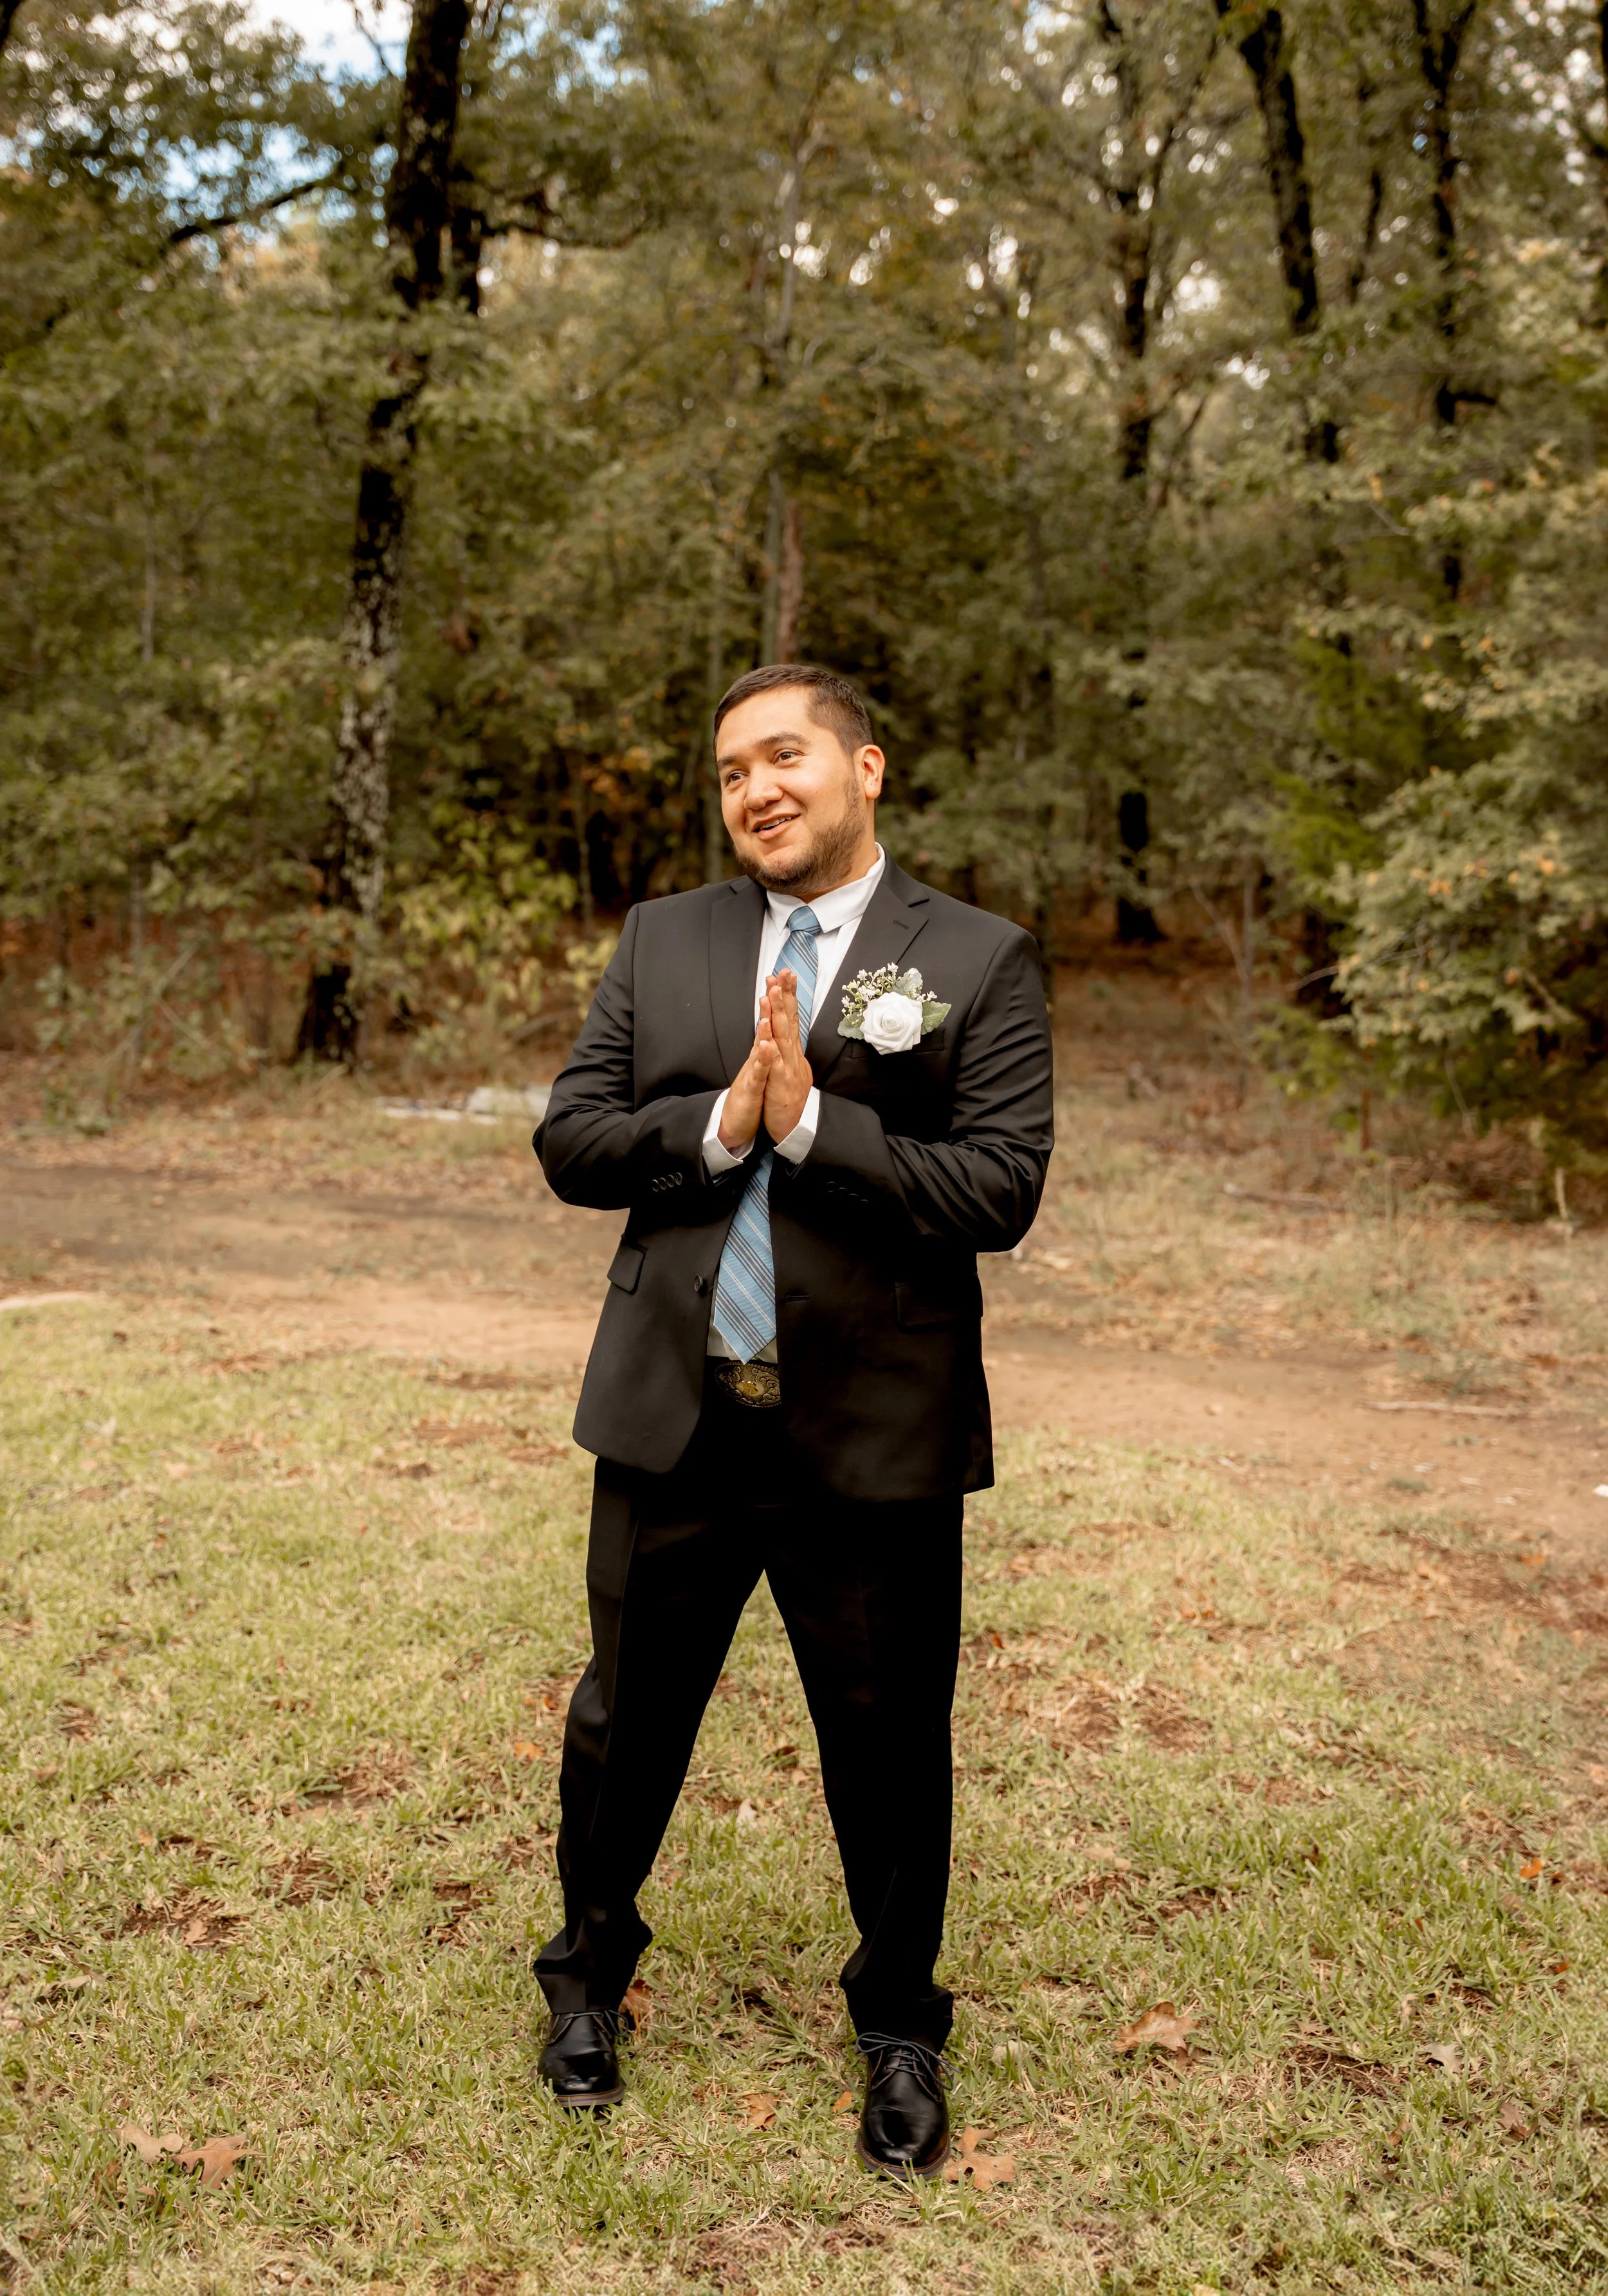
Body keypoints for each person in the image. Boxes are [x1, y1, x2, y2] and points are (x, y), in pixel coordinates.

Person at [532, 663, 1054, 2178]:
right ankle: (587, 1978)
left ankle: (897, 2023)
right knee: (623, 1724)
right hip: (675, 1415)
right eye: (729, 773)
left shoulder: (973, 956)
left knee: (887, 1745)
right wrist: (716, 1125)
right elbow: (572, 1138)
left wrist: (816, 1124)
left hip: (872, 1431)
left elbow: (998, 1187)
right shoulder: (665, 938)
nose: (754, 791)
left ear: (863, 767)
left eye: (782, 757)